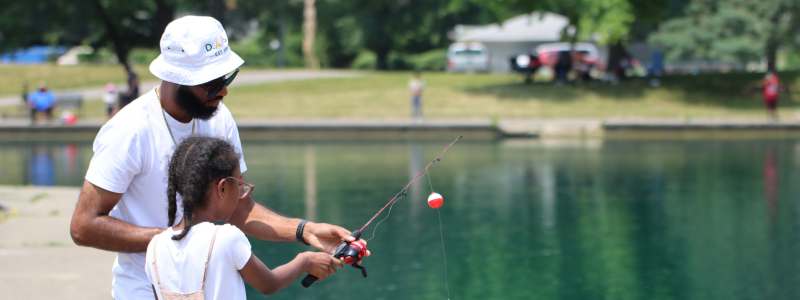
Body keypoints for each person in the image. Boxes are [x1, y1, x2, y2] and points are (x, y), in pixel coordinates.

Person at [70, 16, 367, 300]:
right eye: (211, 83)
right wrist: (181, 241)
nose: (223, 90)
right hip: (146, 291)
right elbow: (84, 225)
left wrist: (306, 230)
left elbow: (241, 209)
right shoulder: (129, 130)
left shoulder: (218, 116)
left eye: (226, 78)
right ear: (176, 78)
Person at [146, 136, 341, 299]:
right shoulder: (225, 237)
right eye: (239, 183)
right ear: (223, 187)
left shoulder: (155, 247)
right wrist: (305, 261)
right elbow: (269, 284)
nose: (242, 192)